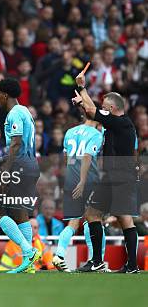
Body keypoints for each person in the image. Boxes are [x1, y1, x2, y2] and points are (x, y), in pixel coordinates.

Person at [73, 66, 141, 273]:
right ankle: (98, 261)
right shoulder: (115, 124)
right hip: (112, 176)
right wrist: (83, 100)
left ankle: (131, 265)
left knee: (124, 218)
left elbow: (93, 112)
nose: (102, 108)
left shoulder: (121, 123)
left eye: (105, 106)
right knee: (93, 213)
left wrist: (82, 89)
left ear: (111, 108)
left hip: (121, 176)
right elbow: (93, 113)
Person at [0, 78, 41, 273]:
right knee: (20, 213)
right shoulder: (25, 111)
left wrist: (5, 170)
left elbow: (16, 143)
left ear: (5, 94)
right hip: (30, 165)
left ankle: (28, 251)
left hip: (19, 167)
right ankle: (29, 263)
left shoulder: (14, 114)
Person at [52, 110, 104, 272]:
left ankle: (59, 254)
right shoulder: (96, 134)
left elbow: (68, 159)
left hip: (71, 180)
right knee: (95, 220)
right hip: (89, 181)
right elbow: (89, 156)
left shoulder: (69, 132)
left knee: (74, 221)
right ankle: (96, 260)